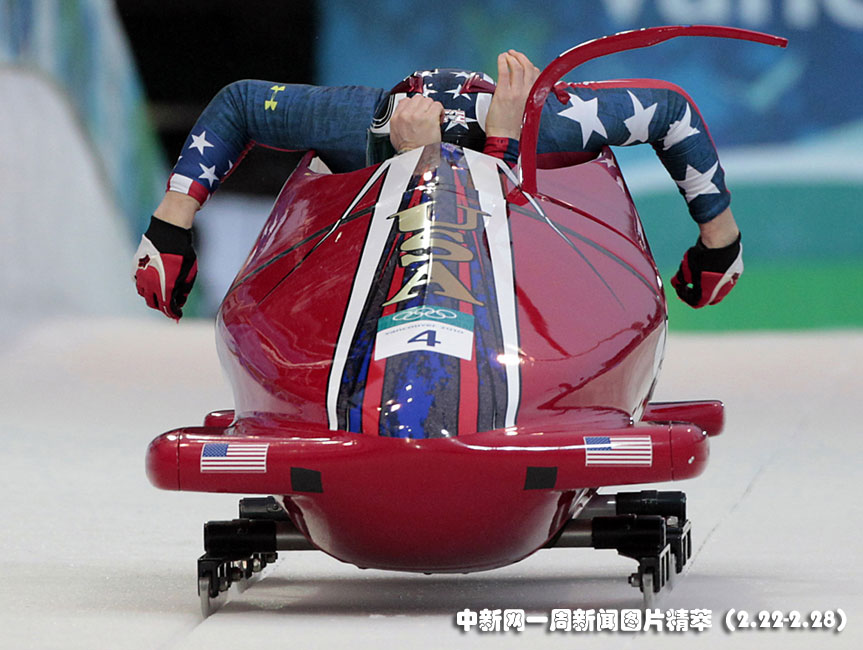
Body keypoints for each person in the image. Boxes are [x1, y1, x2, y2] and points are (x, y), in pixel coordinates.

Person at [133, 50, 743, 319]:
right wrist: (718, 247)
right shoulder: (364, 124)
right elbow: (240, 103)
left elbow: (671, 110)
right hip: (437, 130)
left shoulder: (548, 126)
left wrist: (169, 230)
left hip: (504, 125)